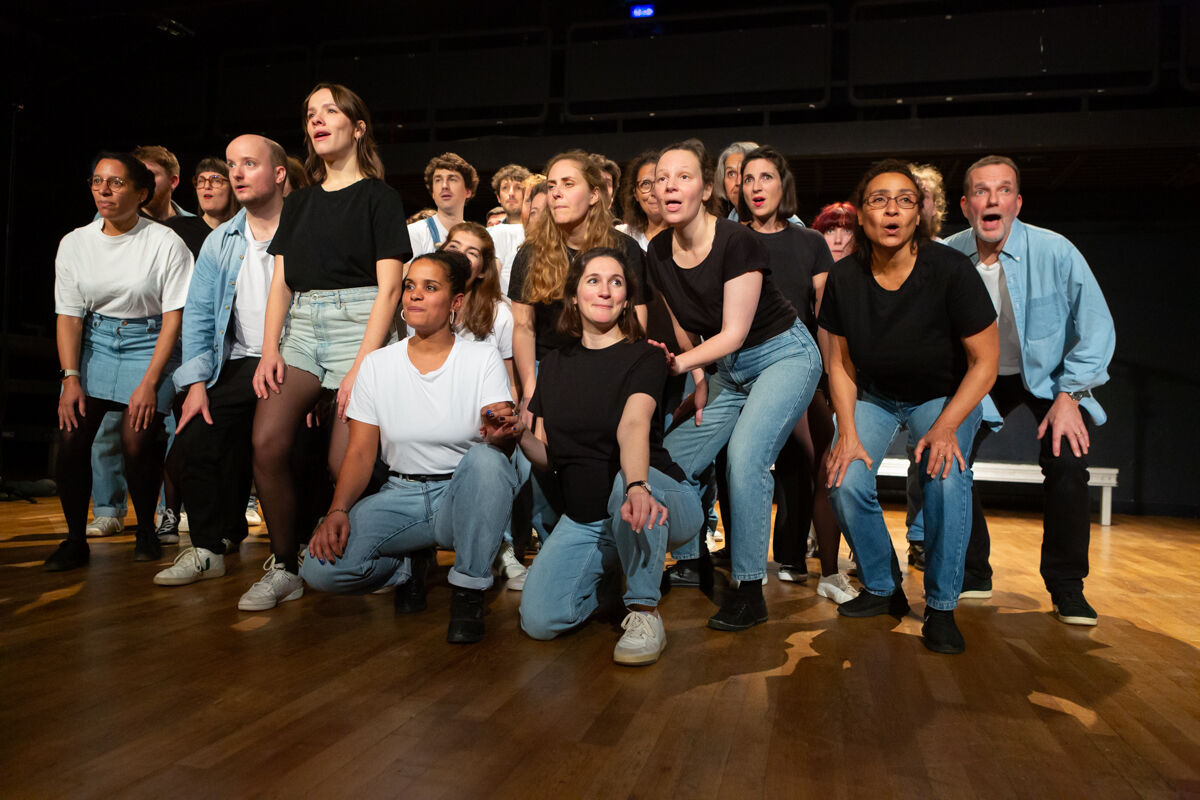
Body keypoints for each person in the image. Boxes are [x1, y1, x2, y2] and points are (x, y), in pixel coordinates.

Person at [819, 159, 999, 654]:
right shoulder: (844, 278)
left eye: (904, 200)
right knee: (843, 476)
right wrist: (847, 432)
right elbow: (839, 364)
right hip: (875, 394)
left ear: (919, 214)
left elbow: (986, 361)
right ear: (862, 215)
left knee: (945, 476)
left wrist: (946, 426)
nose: (892, 210)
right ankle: (882, 586)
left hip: (943, 395)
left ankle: (941, 606)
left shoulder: (950, 269)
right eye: (879, 201)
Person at [646, 139, 823, 630]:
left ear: (706, 189)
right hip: (726, 369)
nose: (670, 186)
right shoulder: (657, 251)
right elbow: (683, 323)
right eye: (662, 179)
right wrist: (698, 377)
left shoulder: (737, 240)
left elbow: (734, 333)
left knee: (745, 459)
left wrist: (681, 366)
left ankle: (749, 590)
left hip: (783, 354)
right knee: (668, 462)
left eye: (683, 177)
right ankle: (686, 558)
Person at [247, 83, 411, 612]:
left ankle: (391, 553)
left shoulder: (380, 198)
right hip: (303, 328)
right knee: (266, 442)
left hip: (361, 327)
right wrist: (270, 349)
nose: (317, 121)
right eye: (310, 114)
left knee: (345, 463)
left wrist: (363, 365)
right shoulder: (298, 202)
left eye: (330, 111)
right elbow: (280, 284)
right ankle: (284, 565)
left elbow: (390, 289)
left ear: (357, 128)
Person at [300, 251, 520, 643]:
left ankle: (468, 592)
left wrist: (499, 432)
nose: (415, 295)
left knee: (486, 461)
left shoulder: (481, 357)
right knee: (320, 571)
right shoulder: (377, 365)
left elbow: (499, 442)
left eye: (430, 287)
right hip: (400, 494)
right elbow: (360, 452)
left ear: (455, 302)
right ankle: (408, 565)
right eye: (409, 286)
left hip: (461, 493)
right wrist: (337, 510)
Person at [945, 155, 1115, 627]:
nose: (992, 199)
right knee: (947, 456)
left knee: (1068, 462)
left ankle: (1067, 586)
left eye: (1003, 190)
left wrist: (1071, 396)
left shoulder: (1055, 250)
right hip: (979, 374)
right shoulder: (948, 255)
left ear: (1017, 203)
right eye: (981, 191)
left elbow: (1097, 326)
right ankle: (972, 570)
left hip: (1050, 377)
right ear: (966, 205)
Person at [518, 247, 704, 665]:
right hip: (589, 520)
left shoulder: (645, 356)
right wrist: (518, 434)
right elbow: (550, 460)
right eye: (593, 280)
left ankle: (644, 612)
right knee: (539, 621)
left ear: (625, 299)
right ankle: (608, 580)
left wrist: (637, 486)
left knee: (624, 483)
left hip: (657, 499)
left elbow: (633, 424)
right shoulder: (554, 364)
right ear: (573, 296)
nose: (605, 290)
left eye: (616, 282)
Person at [44, 152, 194, 571]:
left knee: (137, 438)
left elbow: (174, 318)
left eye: (116, 183)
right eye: (97, 181)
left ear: (141, 193)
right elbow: (69, 316)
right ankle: (75, 540)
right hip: (96, 342)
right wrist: (70, 378)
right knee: (72, 437)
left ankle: (145, 529)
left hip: (150, 343)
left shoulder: (165, 242)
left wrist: (149, 382)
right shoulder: (76, 242)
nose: (104, 190)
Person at [152, 134, 288, 587]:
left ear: (279, 174)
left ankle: (294, 550)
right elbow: (198, 316)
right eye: (232, 164)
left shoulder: (304, 230)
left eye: (249, 163)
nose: (237, 173)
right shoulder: (220, 240)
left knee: (287, 445)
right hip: (236, 362)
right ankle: (208, 547)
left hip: (292, 359)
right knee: (194, 440)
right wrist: (195, 385)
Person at [736, 145, 854, 602]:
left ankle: (829, 571)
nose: (756, 187)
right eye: (748, 179)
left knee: (823, 461)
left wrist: (831, 374)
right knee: (739, 463)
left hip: (800, 367)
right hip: (740, 368)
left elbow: (824, 315)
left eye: (765, 177)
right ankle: (740, 564)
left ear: (782, 185)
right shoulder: (731, 237)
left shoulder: (810, 243)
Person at [509, 150, 648, 431]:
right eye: (551, 186)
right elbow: (523, 327)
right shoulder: (531, 253)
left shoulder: (624, 249)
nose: (556, 193)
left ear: (594, 195)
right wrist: (532, 391)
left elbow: (637, 322)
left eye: (568, 184)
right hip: (549, 366)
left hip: (608, 365)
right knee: (537, 450)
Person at [901, 162, 951, 568]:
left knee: (928, 459)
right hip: (889, 379)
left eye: (925, 197)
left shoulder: (951, 258)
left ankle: (923, 538)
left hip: (937, 380)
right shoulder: (884, 255)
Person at [406, 152, 477, 259]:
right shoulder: (414, 233)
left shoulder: (477, 237)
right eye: (438, 180)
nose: (444, 186)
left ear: (468, 191)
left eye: (452, 179)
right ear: (433, 194)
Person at [616, 150, 668, 250]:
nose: (654, 192)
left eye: (660, 181)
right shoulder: (623, 236)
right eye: (645, 184)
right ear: (635, 194)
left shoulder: (685, 236)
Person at [715, 141, 758, 220]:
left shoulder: (782, 224)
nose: (738, 182)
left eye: (745, 172)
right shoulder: (724, 225)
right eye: (731, 174)